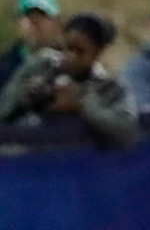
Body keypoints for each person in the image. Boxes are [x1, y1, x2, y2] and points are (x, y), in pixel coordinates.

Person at [0, 13, 138, 148]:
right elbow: (4, 109)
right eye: (68, 48)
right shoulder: (42, 65)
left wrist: (81, 104)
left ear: (97, 53)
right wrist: (26, 97)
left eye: (80, 51)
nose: (71, 57)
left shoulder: (110, 88)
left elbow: (127, 133)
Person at [0, 0, 64, 90]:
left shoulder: (69, 65)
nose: (35, 22)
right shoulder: (4, 67)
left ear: (57, 23)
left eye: (43, 14)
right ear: (18, 23)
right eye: (28, 15)